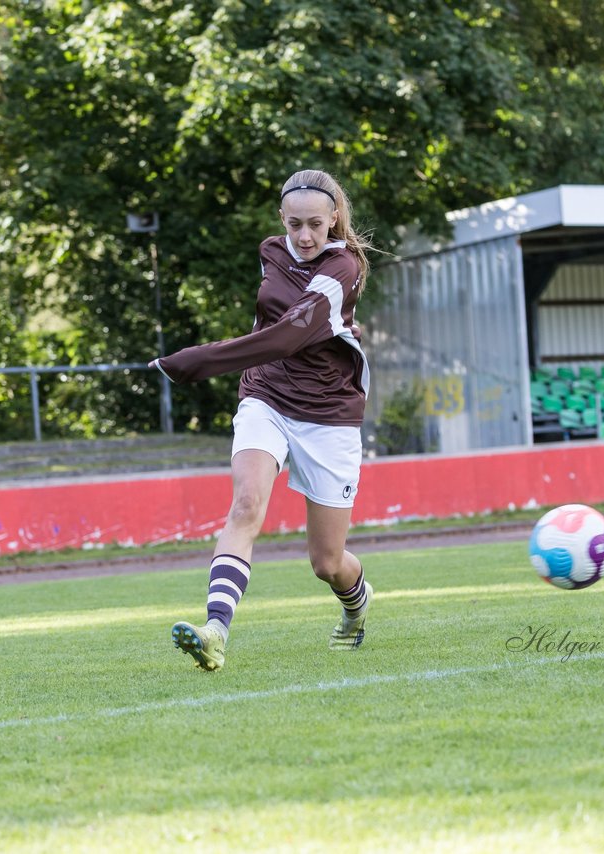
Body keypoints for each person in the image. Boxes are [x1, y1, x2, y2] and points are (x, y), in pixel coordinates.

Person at [149, 169, 375, 671]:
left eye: (316, 224)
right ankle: (215, 631)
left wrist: (197, 360)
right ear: (282, 219)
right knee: (246, 503)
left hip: (329, 413)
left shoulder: (344, 267)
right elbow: (269, 343)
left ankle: (357, 610)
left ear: (334, 217)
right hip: (266, 395)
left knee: (327, 562)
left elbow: (286, 336)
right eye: (295, 224)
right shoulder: (271, 251)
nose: (304, 236)